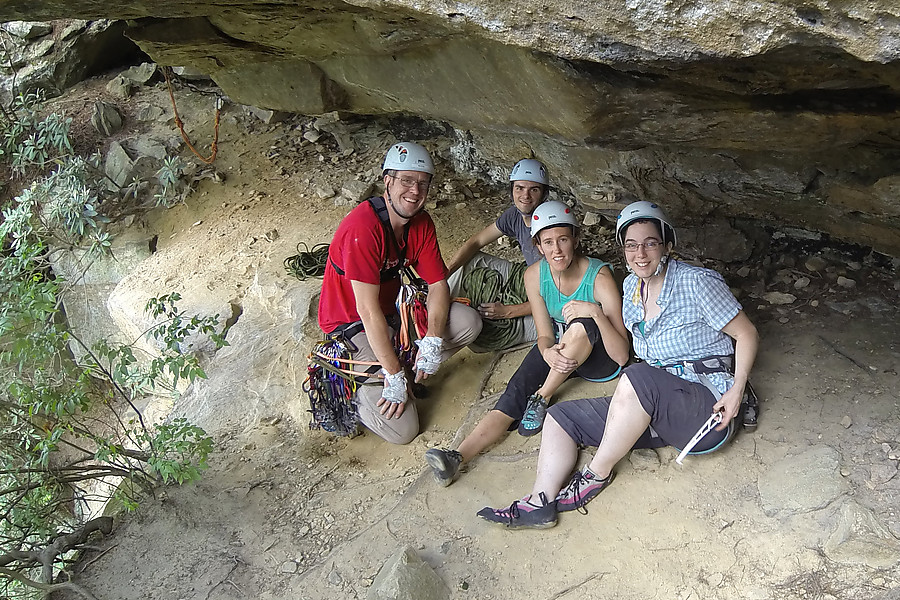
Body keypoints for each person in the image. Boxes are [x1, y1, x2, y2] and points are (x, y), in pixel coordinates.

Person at [476, 200, 759, 529]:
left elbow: (747, 333)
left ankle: (594, 476)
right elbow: (625, 354)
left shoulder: (697, 282)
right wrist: (596, 313)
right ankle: (539, 501)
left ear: (667, 245)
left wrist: (737, 391)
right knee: (560, 416)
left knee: (637, 375)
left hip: (706, 408)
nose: (641, 254)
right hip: (659, 407)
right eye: (631, 245)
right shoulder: (631, 288)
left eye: (650, 243)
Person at [425, 201, 630, 485]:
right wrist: (547, 351)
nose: (556, 250)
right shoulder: (534, 275)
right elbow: (545, 334)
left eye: (563, 240)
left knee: (582, 325)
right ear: (538, 246)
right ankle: (457, 457)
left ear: (575, 240)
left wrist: (595, 312)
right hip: (561, 348)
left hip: (599, 357)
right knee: (515, 389)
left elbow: (621, 356)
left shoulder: (600, 277)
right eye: (548, 242)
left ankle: (542, 397)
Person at [317, 142, 482, 445]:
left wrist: (432, 340)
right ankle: (353, 391)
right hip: (351, 324)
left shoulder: (420, 223)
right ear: (388, 180)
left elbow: (438, 284)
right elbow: (367, 311)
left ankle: (403, 366)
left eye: (422, 183)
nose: (415, 191)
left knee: (468, 322)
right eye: (406, 180)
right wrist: (393, 375)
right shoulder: (363, 228)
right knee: (403, 431)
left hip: (393, 314)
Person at [446, 159, 551, 349]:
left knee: (483, 340)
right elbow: (476, 242)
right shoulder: (514, 215)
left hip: (552, 299)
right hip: (526, 278)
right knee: (471, 260)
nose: (525, 196)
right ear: (512, 190)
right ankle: (437, 308)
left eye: (534, 189)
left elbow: (559, 291)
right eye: (519, 188)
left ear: (544, 194)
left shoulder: (551, 224)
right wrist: (444, 276)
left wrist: (508, 312)